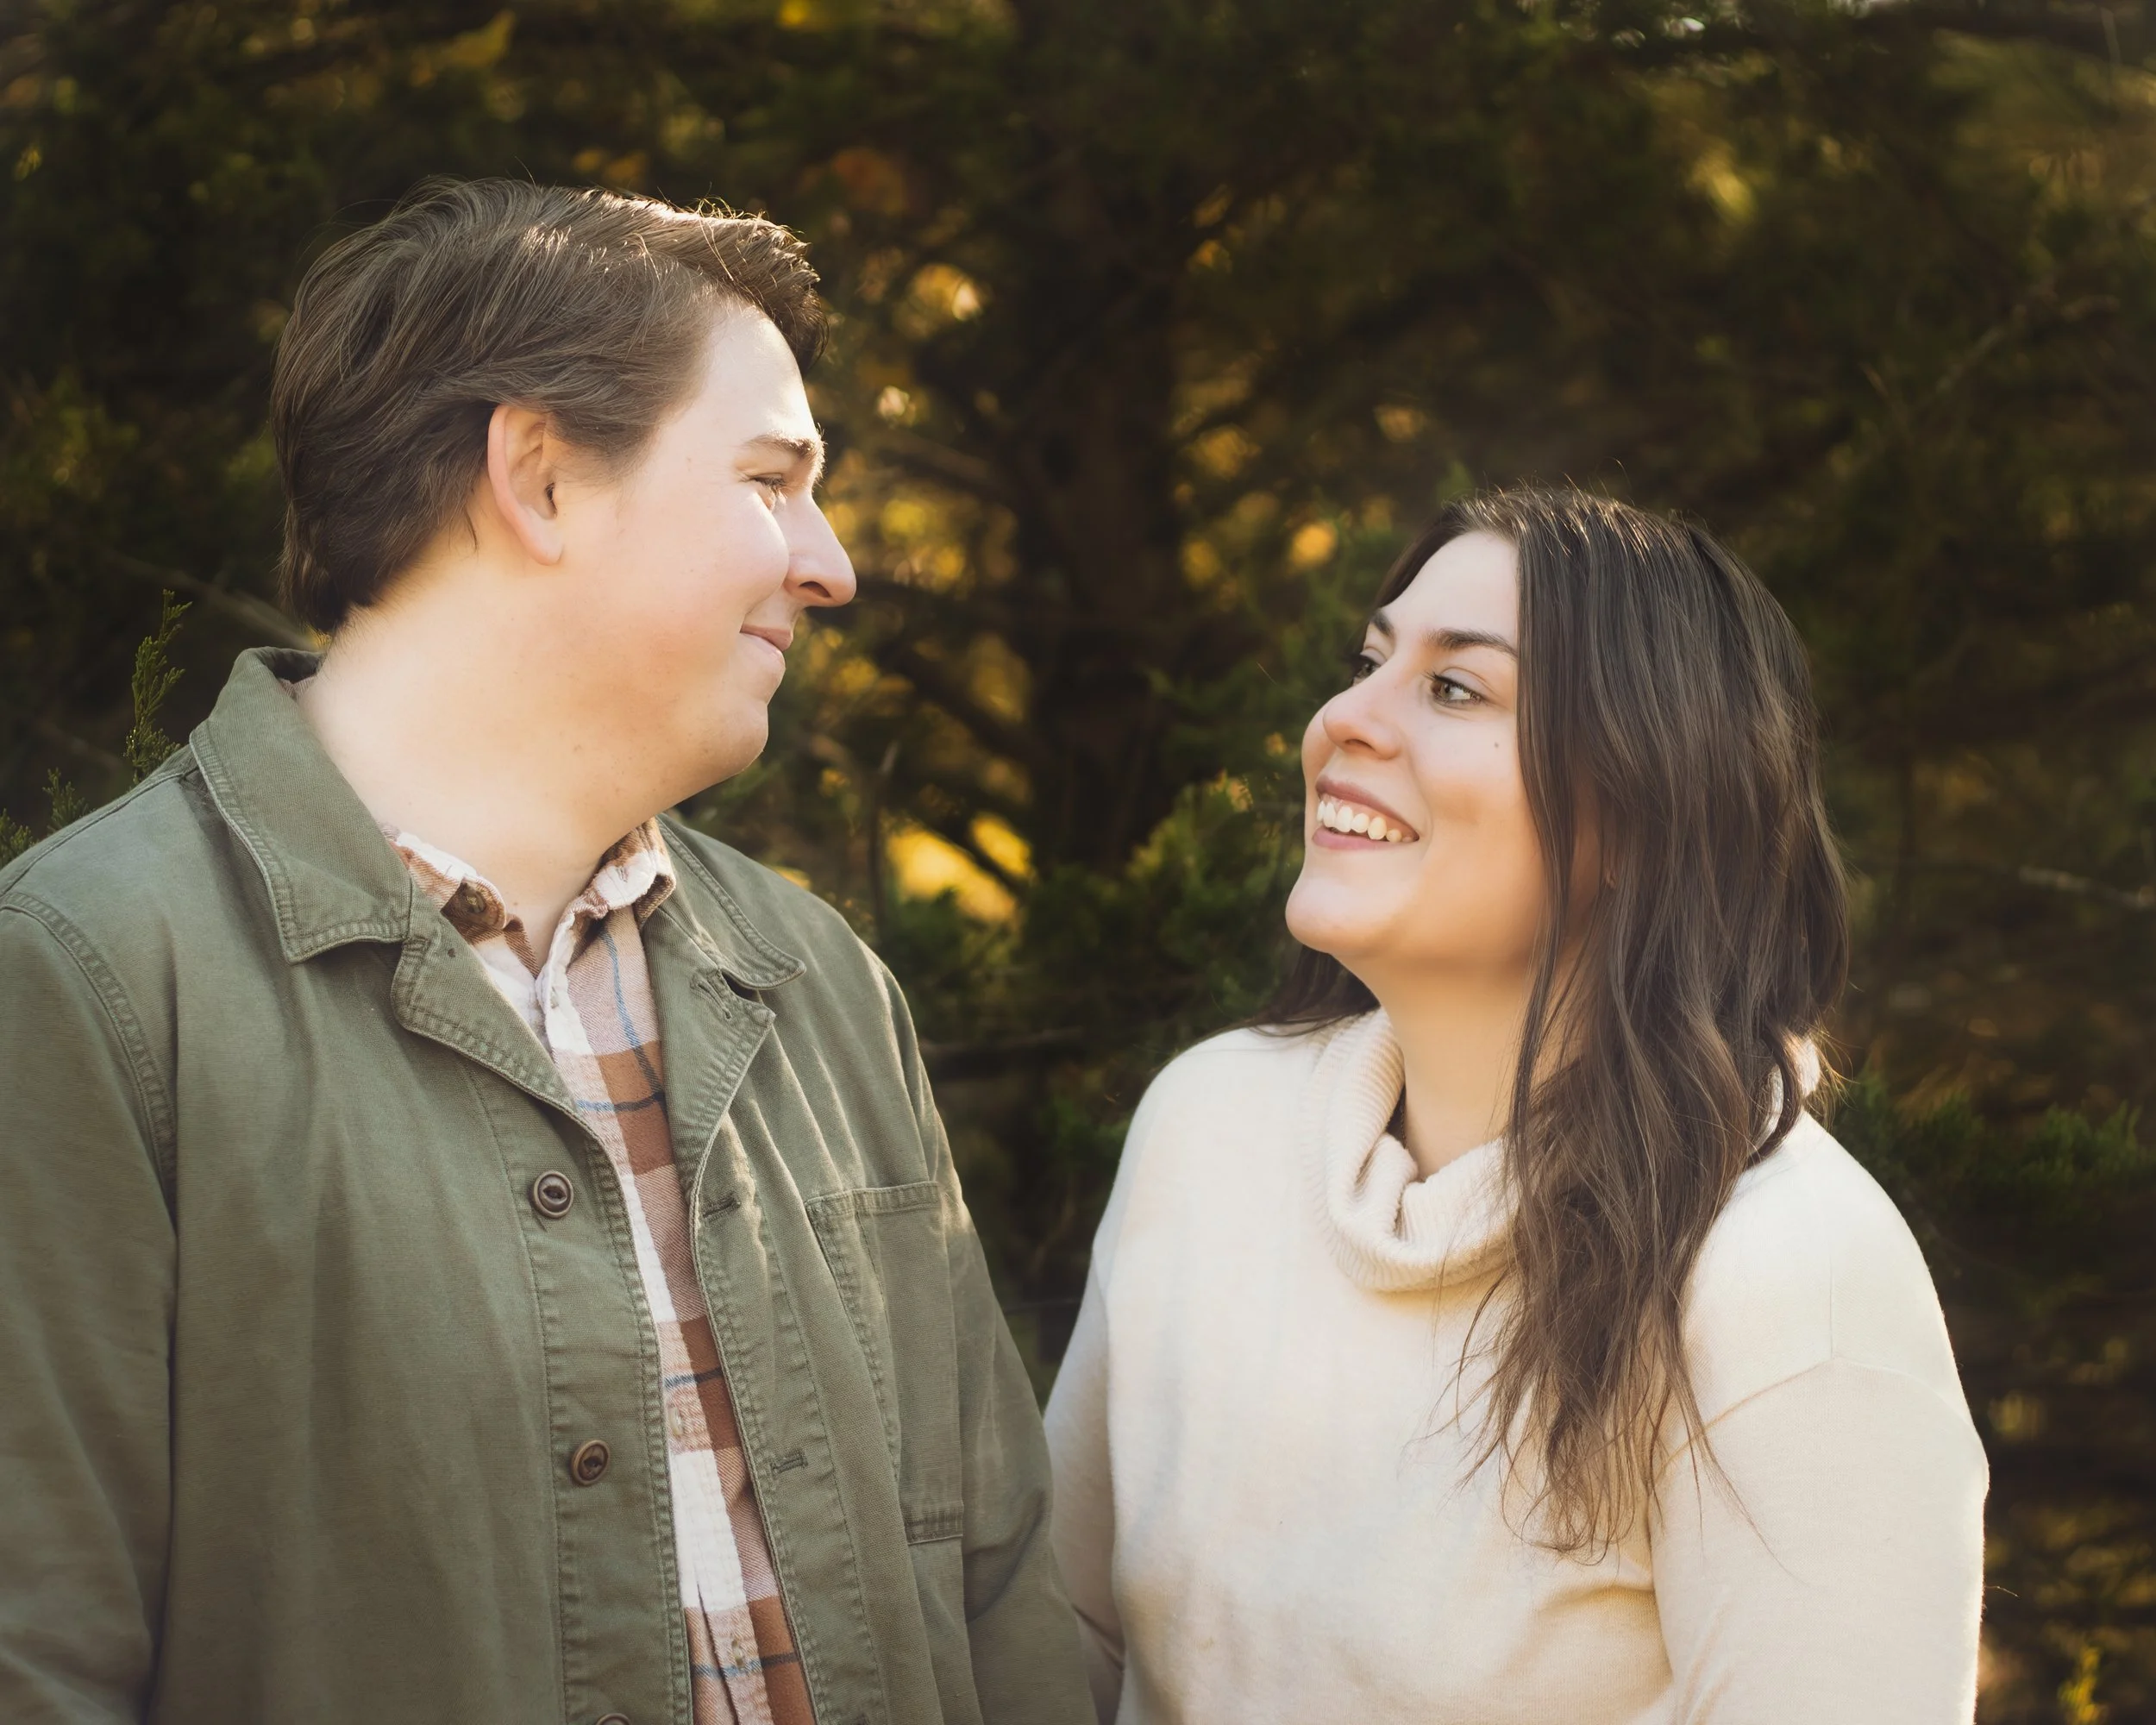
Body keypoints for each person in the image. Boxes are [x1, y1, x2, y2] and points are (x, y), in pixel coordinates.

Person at [0, 179, 1092, 1725]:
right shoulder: (85, 978)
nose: (833, 563)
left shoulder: (823, 984)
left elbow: (1001, 1604)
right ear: (542, 478)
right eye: (774, 479)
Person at [1045, 487, 1988, 1723]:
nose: (1341, 722)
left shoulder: (1793, 1280)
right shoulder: (1207, 1129)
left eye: (1455, 690)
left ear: (1645, 813)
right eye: (1369, 663)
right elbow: (1063, 1648)